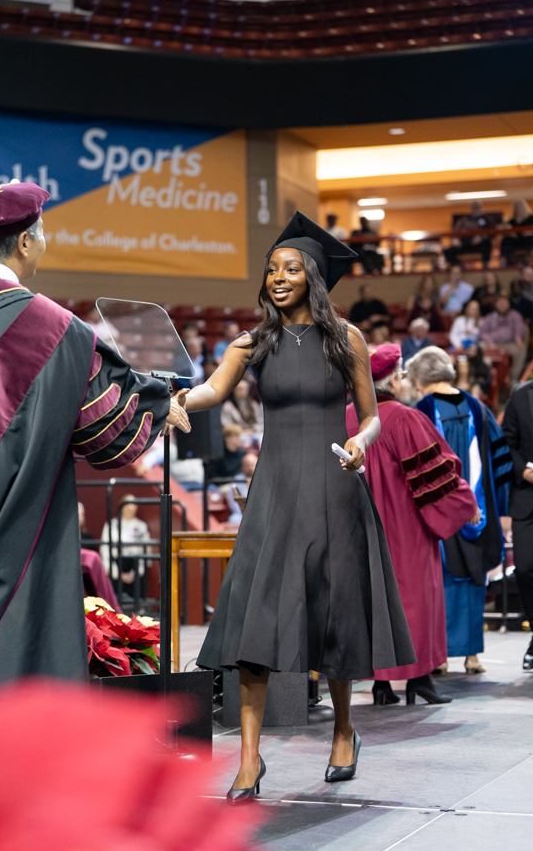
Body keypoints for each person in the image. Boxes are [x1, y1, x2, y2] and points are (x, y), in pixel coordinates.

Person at [180, 211, 414, 801]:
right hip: (276, 493)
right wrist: (175, 395)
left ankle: (342, 730)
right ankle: (250, 761)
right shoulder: (254, 341)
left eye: (289, 268)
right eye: (271, 270)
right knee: (258, 620)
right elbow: (212, 390)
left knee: (332, 615)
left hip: (336, 489)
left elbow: (371, 416)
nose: (277, 277)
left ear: (312, 274)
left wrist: (361, 444)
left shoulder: (348, 340)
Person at [0, 181, 190, 691]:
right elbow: (104, 433)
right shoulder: (58, 333)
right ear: (25, 243)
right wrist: (161, 403)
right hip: (18, 536)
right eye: (41, 233)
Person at [347, 345, 478, 705]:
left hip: (357, 529)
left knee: (371, 602)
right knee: (415, 599)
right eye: (401, 374)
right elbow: (438, 473)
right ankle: (420, 679)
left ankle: (381, 686)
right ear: (391, 378)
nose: (404, 380)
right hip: (406, 529)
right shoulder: (404, 418)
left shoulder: (343, 418)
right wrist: (463, 503)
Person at [408, 346, 512, 675]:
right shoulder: (478, 409)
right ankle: (471, 656)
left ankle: (440, 656)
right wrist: (500, 508)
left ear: (420, 378)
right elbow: (501, 462)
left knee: (442, 579)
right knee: (473, 575)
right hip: (478, 508)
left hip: (436, 508)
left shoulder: (420, 410)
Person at [502, 383, 533, 670]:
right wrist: (523, 469)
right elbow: (506, 442)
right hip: (527, 498)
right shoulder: (520, 396)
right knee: (523, 568)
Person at [100, 495, 150, 602]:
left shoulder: (141, 526)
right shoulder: (112, 525)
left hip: (135, 569)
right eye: (128, 504)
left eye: (134, 504)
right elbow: (105, 550)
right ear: (121, 506)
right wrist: (115, 572)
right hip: (116, 567)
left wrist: (136, 572)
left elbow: (146, 551)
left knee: (136, 605)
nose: (131, 508)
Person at [479, 294, 527, 385]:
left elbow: (519, 327)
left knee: (521, 349)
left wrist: (518, 338)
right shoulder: (489, 317)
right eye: (500, 303)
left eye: (505, 303)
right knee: (479, 347)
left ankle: (513, 378)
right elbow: (483, 332)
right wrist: (490, 343)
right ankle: (484, 377)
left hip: (510, 344)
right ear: (495, 305)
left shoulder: (515, 315)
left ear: (508, 304)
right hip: (493, 344)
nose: (502, 305)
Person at [444, 201, 493, 268]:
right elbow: (455, 230)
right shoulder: (464, 219)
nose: (475, 209)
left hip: (478, 244)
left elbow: (492, 231)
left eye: (477, 207)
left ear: (480, 207)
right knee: (447, 251)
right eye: (474, 207)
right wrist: (454, 238)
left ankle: (485, 264)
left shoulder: (486, 219)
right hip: (463, 243)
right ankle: (460, 266)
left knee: (487, 243)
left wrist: (482, 237)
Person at [225, 452, 259, 525]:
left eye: (252, 465)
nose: (250, 468)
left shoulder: (265, 479)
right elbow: (234, 503)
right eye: (248, 465)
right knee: (234, 519)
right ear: (242, 467)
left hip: (260, 514)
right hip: (241, 514)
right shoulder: (236, 481)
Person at [500, 200, 533, 267]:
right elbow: (503, 228)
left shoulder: (530, 218)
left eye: (520, 207)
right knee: (506, 240)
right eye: (516, 207)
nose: (518, 209)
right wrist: (509, 232)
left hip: (528, 240)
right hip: (515, 241)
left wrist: (530, 232)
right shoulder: (511, 221)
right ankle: (505, 264)